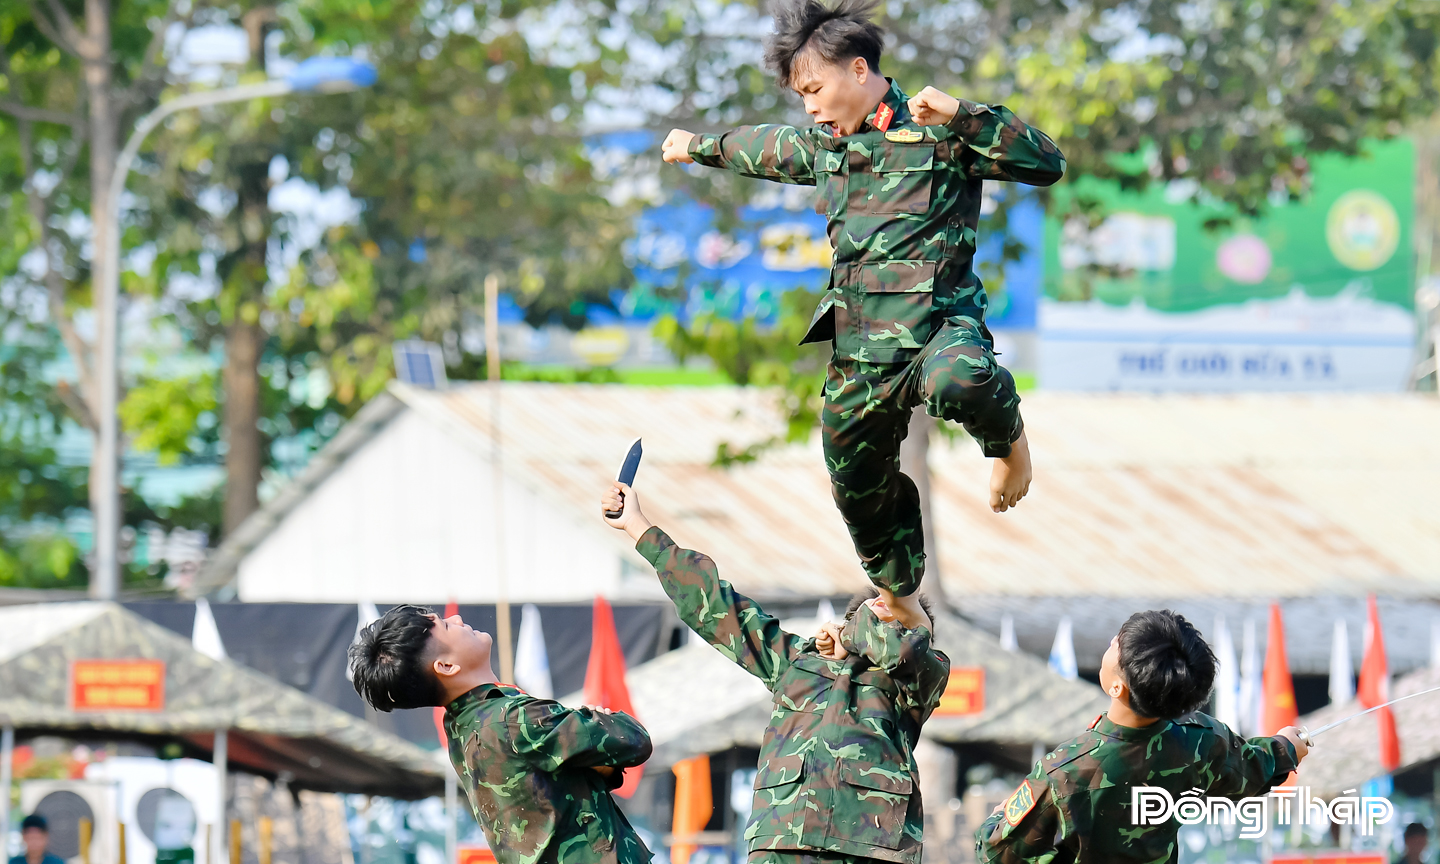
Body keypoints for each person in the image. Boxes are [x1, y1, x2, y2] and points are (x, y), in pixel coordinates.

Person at [660, 0, 1065, 598]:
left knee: (965, 379)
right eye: (801, 97)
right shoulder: (823, 148)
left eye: (815, 89)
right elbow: (763, 148)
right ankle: (900, 598)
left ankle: (1010, 446)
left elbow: (1046, 162)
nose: (810, 106)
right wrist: (697, 144)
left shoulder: (940, 131)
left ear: (857, 70)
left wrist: (963, 113)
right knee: (850, 476)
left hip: (938, 332)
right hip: (861, 349)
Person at [601, 481, 950, 864]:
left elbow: (904, 649)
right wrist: (638, 526)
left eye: (891, 613)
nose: (881, 609)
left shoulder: (918, 676)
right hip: (782, 841)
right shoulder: (797, 661)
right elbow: (714, 604)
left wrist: (856, 633)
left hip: (867, 848)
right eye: (873, 605)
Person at [976, 610, 1311, 863]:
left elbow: (994, 853)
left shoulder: (1063, 774)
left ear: (1117, 686)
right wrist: (1287, 747)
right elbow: (1254, 769)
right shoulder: (1202, 741)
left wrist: (998, 815)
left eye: (1115, 646)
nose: (1110, 642)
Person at [349, 605, 652, 864]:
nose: (456, 620)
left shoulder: (462, 727)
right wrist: (598, 717)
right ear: (446, 665)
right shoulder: (511, 720)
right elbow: (633, 740)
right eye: (444, 625)